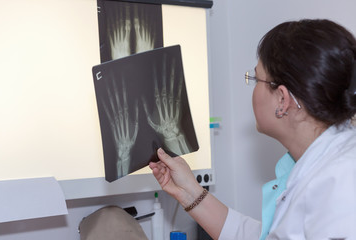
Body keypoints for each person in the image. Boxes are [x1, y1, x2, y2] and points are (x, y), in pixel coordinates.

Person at [149, 19, 356, 239]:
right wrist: (189, 193)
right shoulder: (322, 165)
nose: (253, 89)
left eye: (257, 79)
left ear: (282, 99)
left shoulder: (342, 182)